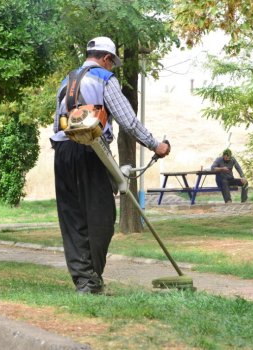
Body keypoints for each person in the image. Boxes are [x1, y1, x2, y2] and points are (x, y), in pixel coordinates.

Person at [50, 36, 170, 294]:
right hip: (91, 151)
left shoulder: (67, 80)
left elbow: (57, 123)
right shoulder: (104, 79)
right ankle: (91, 280)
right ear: (106, 59)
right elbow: (128, 121)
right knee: (101, 217)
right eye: (112, 63)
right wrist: (155, 145)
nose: (112, 67)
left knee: (72, 218)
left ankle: (84, 280)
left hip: (62, 151)